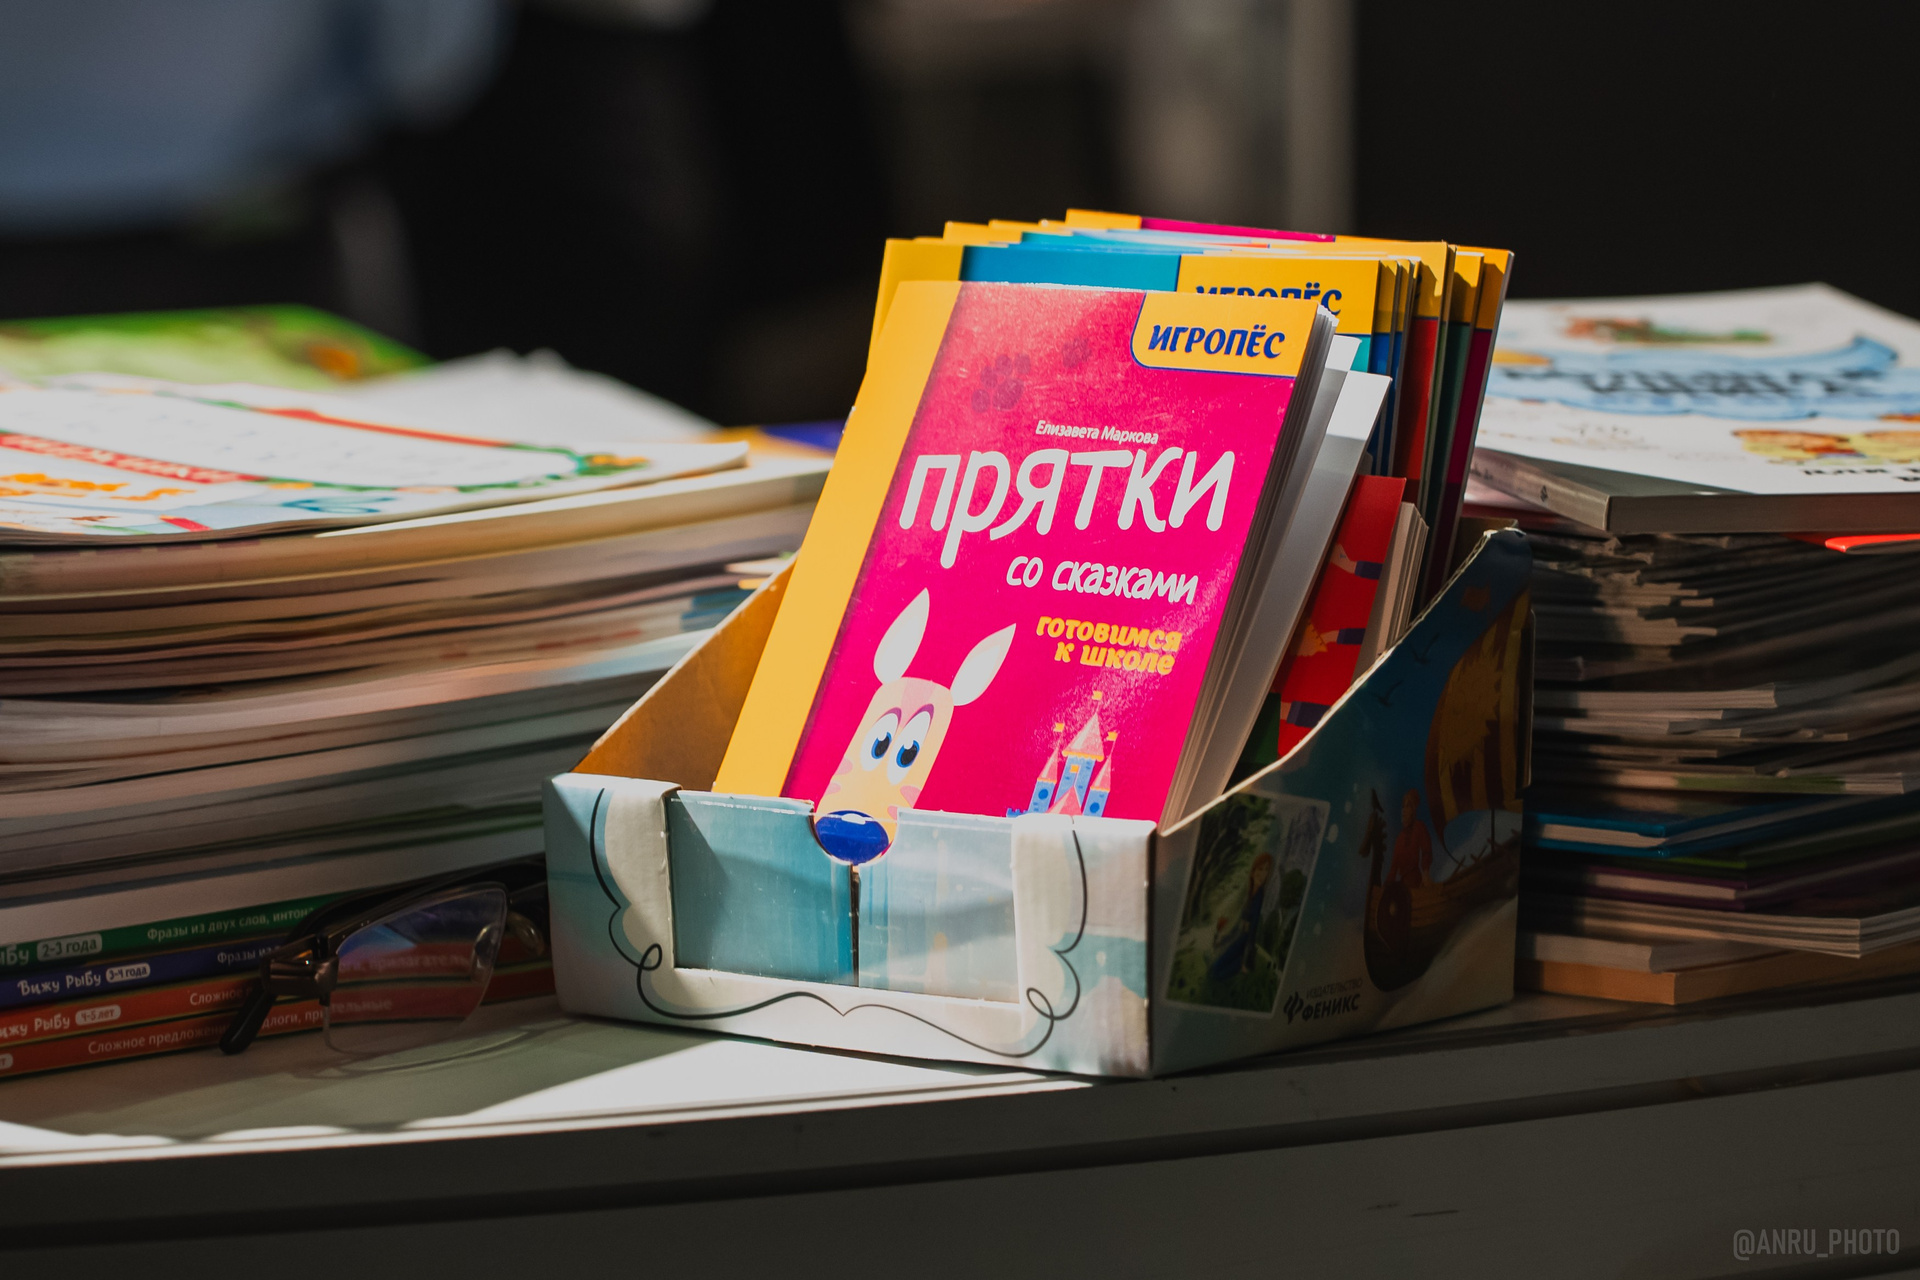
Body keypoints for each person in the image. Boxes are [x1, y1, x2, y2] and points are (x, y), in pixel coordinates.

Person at [1208, 852, 1273, 983]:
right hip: (1239, 937)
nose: (1263, 874)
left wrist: (1246, 959)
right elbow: (1239, 922)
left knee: (1216, 974)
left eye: (1266, 870)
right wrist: (1225, 939)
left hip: (1244, 942)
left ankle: (1239, 966)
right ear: (1253, 871)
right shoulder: (1250, 894)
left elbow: (1253, 927)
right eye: (1260, 869)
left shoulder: (1259, 897)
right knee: (1214, 970)